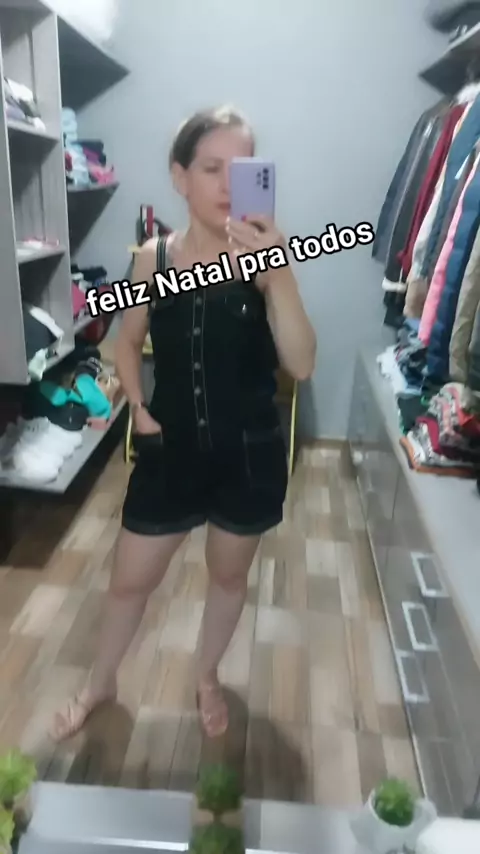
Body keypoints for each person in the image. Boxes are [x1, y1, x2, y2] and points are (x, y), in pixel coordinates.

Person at [52, 105, 316, 741]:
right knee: (128, 582)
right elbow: (125, 342)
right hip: (168, 448)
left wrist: (279, 272)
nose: (227, 184)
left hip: (246, 455)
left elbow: (302, 363)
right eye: (211, 167)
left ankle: (206, 676)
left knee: (227, 577)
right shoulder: (153, 259)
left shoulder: (266, 260)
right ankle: (101, 681)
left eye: (241, 169)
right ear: (180, 177)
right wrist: (137, 407)